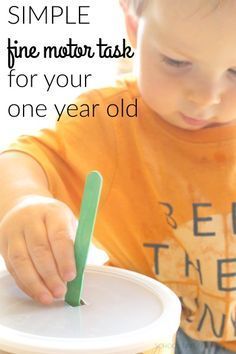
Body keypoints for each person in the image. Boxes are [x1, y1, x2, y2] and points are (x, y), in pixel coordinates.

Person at [0, 0, 236, 353]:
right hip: (144, 330)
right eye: (176, 61)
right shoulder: (108, 118)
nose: (205, 98)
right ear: (132, 25)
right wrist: (23, 200)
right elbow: (25, 156)